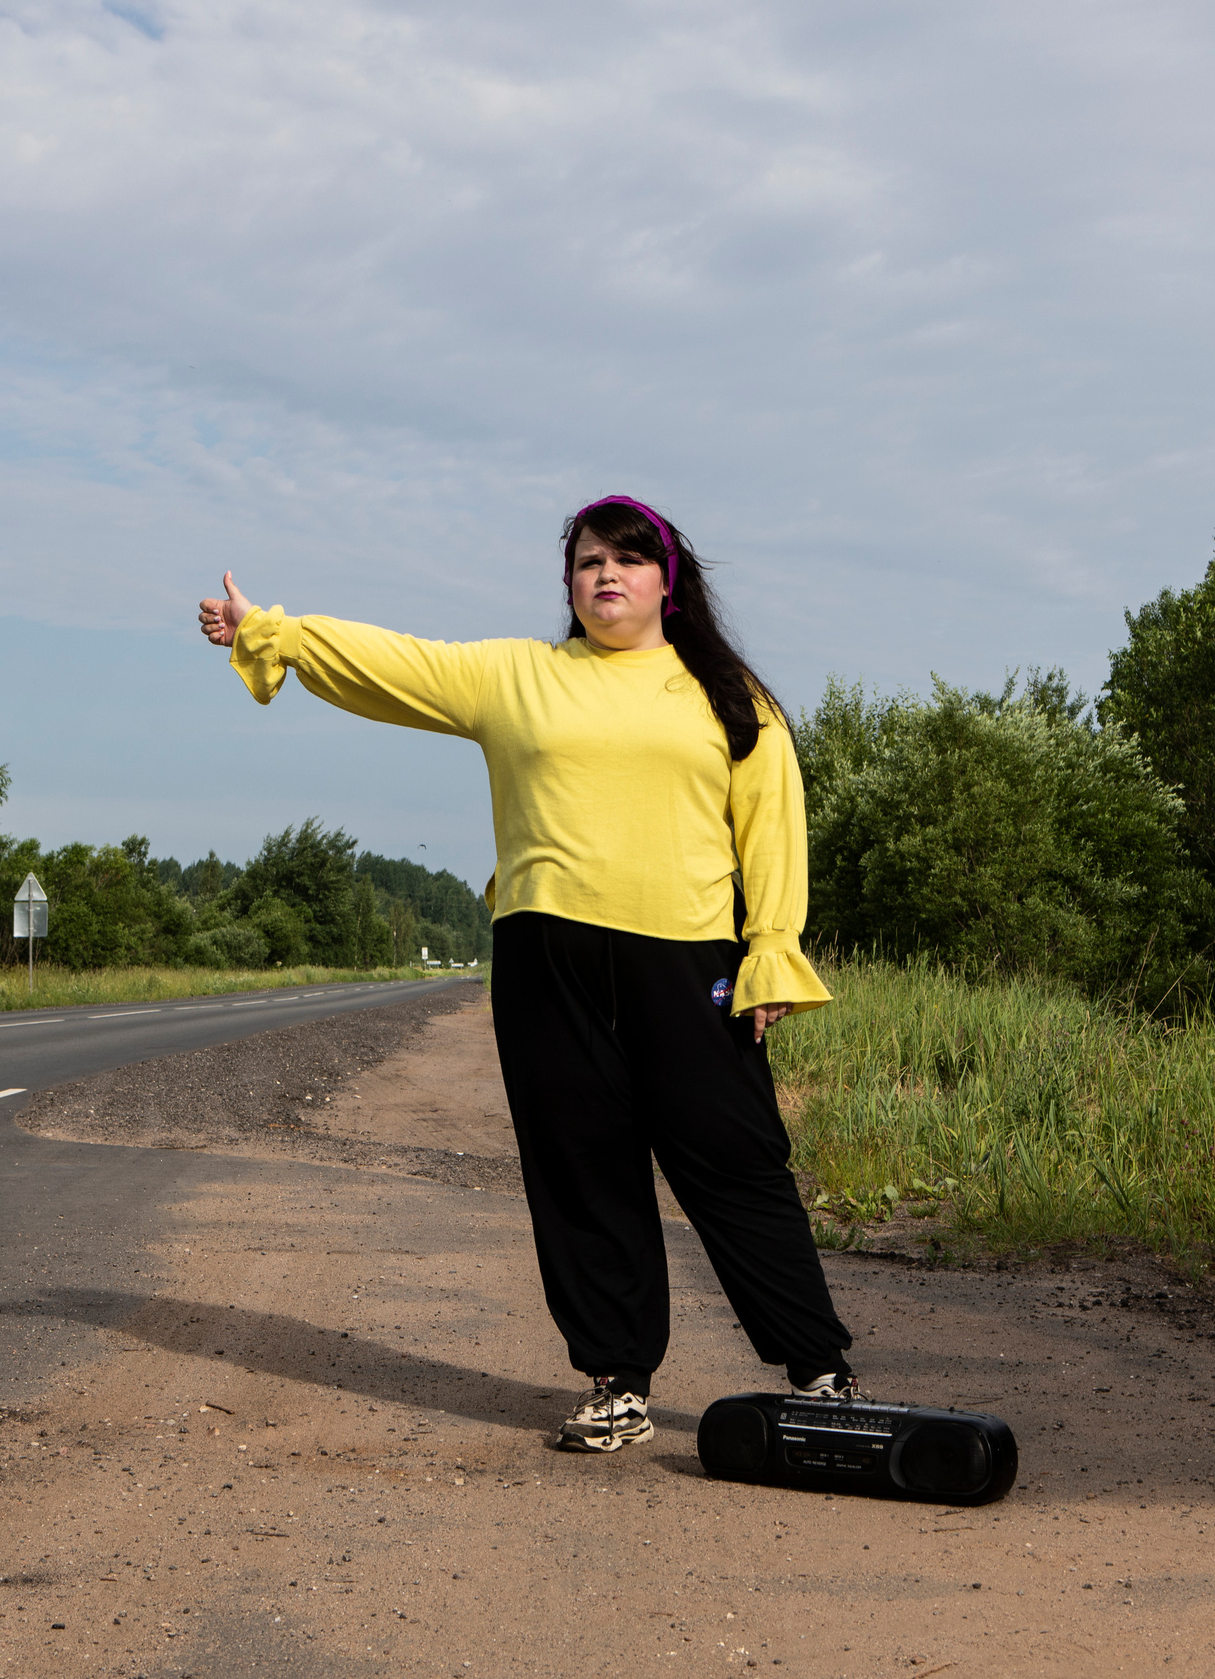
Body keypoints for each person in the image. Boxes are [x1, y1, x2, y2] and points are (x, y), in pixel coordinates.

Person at [197, 496, 858, 1453]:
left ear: (667, 581)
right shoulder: (521, 677)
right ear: (569, 582)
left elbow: (773, 830)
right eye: (589, 561)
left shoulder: (726, 695)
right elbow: (397, 663)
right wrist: (274, 633)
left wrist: (771, 954)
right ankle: (616, 1381)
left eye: (628, 561)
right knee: (581, 1165)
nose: (606, 575)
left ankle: (821, 1371)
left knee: (735, 1161)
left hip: (688, 962)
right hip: (548, 962)